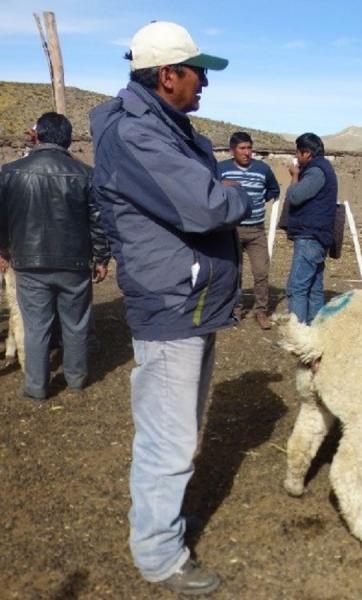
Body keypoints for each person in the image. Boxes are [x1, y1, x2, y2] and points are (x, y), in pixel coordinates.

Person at [90, 21, 251, 595]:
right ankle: (159, 555)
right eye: (197, 71)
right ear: (167, 76)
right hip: (171, 301)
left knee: (177, 428)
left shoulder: (160, 126)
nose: (204, 82)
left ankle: (160, 535)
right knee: (169, 437)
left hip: (189, 297)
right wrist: (242, 196)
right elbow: (207, 205)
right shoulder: (138, 136)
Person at [0, 111, 110, 400]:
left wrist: (3, 251)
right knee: (75, 324)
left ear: (39, 136)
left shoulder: (10, 172)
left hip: (27, 261)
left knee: (36, 325)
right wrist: (101, 257)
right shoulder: (86, 174)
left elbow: (1, 219)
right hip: (74, 264)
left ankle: (36, 386)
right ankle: (76, 379)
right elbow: (98, 220)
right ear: (69, 139)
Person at [218, 131, 280, 329]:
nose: (247, 152)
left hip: (256, 230)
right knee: (234, 272)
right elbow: (209, 189)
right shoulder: (222, 169)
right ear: (232, 150)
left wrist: (260, 200)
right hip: (231, 230)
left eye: (249, 148)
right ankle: (234, 310)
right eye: (242, 148)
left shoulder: (263, 169)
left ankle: (261, 311)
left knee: (261, 271)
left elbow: (274, 189)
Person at [284, 132, 338, 324]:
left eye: (298, 153)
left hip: (310, 236)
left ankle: (297, 334)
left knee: (297, 287)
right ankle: (315, 331)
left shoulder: (316, 171)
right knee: (314, 287)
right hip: (318, 236)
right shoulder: (323, 168)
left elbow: (295, 196)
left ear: (306, 153)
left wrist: (295, 176)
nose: (297, 157)